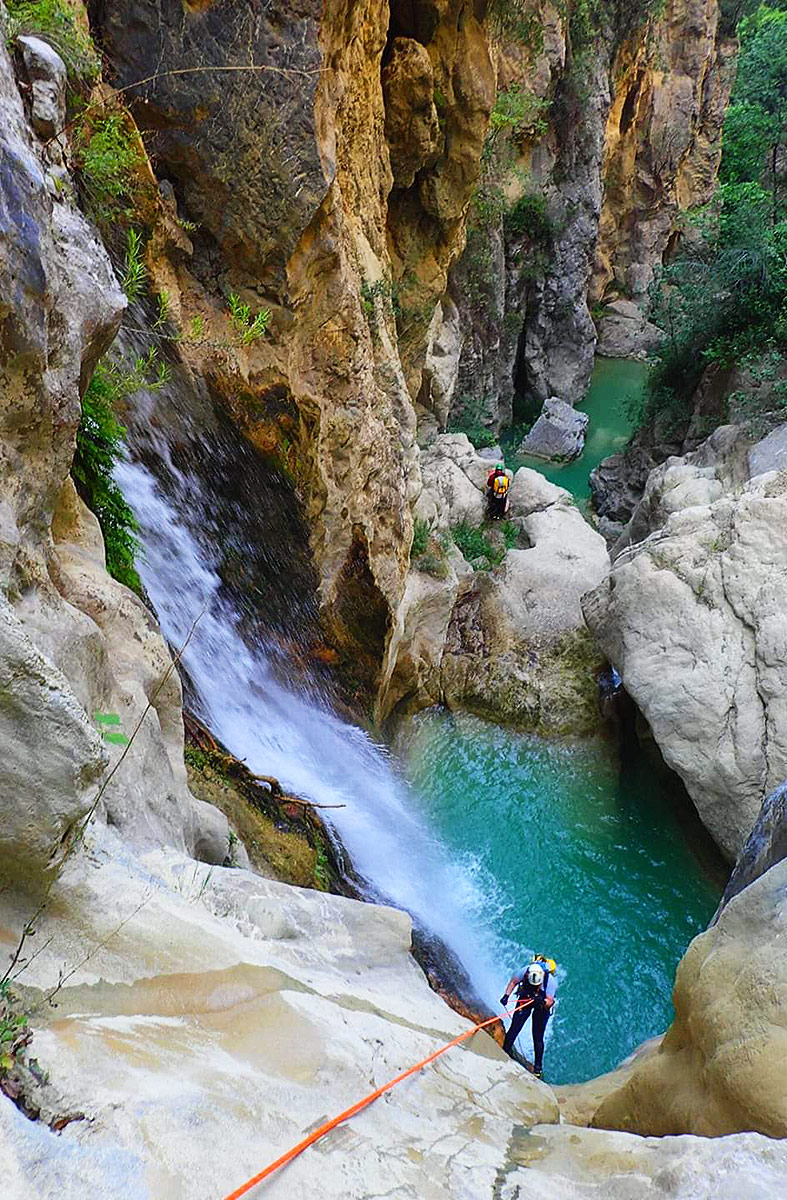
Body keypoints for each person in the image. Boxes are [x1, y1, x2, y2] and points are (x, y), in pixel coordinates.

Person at [500, 955, 558, 1079]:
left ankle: (538, 1069)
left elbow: (550, 1001)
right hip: (526, 997)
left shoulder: (550, 981)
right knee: (515, 1027)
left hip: (542, 1006)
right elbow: (514, 982)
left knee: (537, 1036)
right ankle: (504, 1052)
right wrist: (506, 995)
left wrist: (541, 1002)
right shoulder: (525, 971)